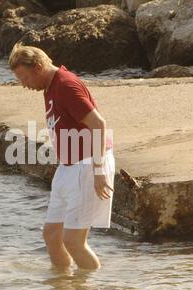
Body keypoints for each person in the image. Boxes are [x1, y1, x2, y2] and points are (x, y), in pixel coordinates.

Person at [9, 43, 115, 270]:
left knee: (73, 242)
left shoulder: (66, 85)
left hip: (87, 165)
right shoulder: (49, 86)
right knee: (52, 235)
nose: (23, 85)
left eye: (24, 78)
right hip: (68, 167)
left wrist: (98, 171)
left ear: (38, 67)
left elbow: (98, 124)